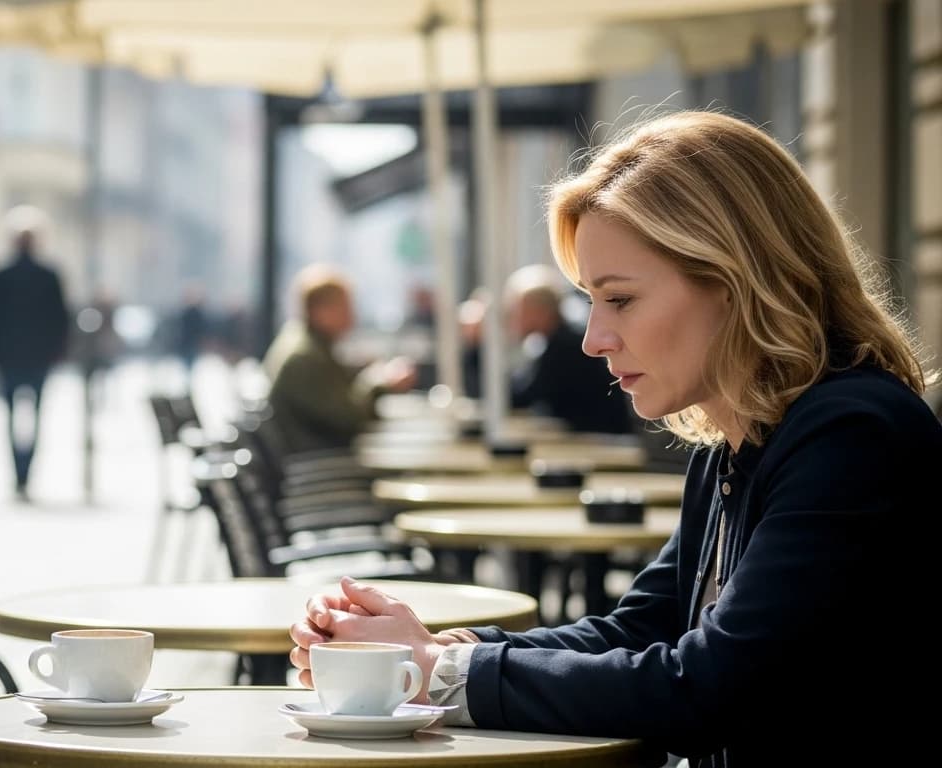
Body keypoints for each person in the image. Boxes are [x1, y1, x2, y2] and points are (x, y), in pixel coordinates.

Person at [289, 111, 940, 765]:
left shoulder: (853, 436)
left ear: (736, 281)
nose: (593, 338)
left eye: (620, 299)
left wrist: (444, 671)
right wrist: (429, 652)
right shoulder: (737, 444)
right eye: (589, 301)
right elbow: (636, 632)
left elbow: (710, 687)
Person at [262, 263, 417, 455]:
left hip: (316, 459)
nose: (353, 317)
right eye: (346, 307)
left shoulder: (303, 343)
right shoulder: (305, 357)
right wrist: (378, 382)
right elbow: (350, 418)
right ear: (321, 311)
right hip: (319, 464)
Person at [460, 264, 632, 433]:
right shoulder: (551, 342)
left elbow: (515, 399)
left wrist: (476, 346)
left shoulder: (565, 347)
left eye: (517, 310)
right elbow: (516, 390)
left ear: (539, 311)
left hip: (605, 444)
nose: (512, 317)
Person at [0, 205, 70, 501]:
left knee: (16, 417)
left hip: (14, 357)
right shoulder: (45, 274)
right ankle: (23, 474)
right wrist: (57, 352)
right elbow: (60, 319)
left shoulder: (1, 275)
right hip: (31, 357)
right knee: (31, 417)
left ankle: (21, 475)